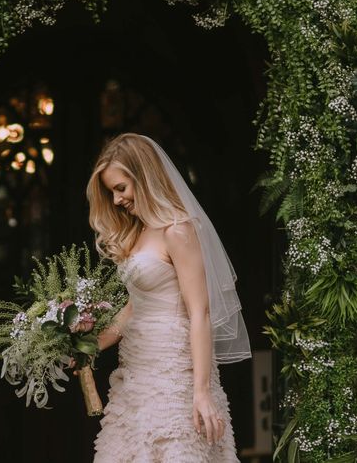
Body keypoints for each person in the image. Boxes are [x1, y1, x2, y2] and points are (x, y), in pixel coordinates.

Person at [85, 133, 251, 462]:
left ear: (143, 177)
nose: (117, 200)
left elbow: (200, 313)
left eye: (121, 188)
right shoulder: (136, 233)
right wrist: (85, 346)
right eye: (111, 192)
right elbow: (133, 310)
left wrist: (201, 392)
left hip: (175, 378)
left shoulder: (178, 230)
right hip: (136, 377)